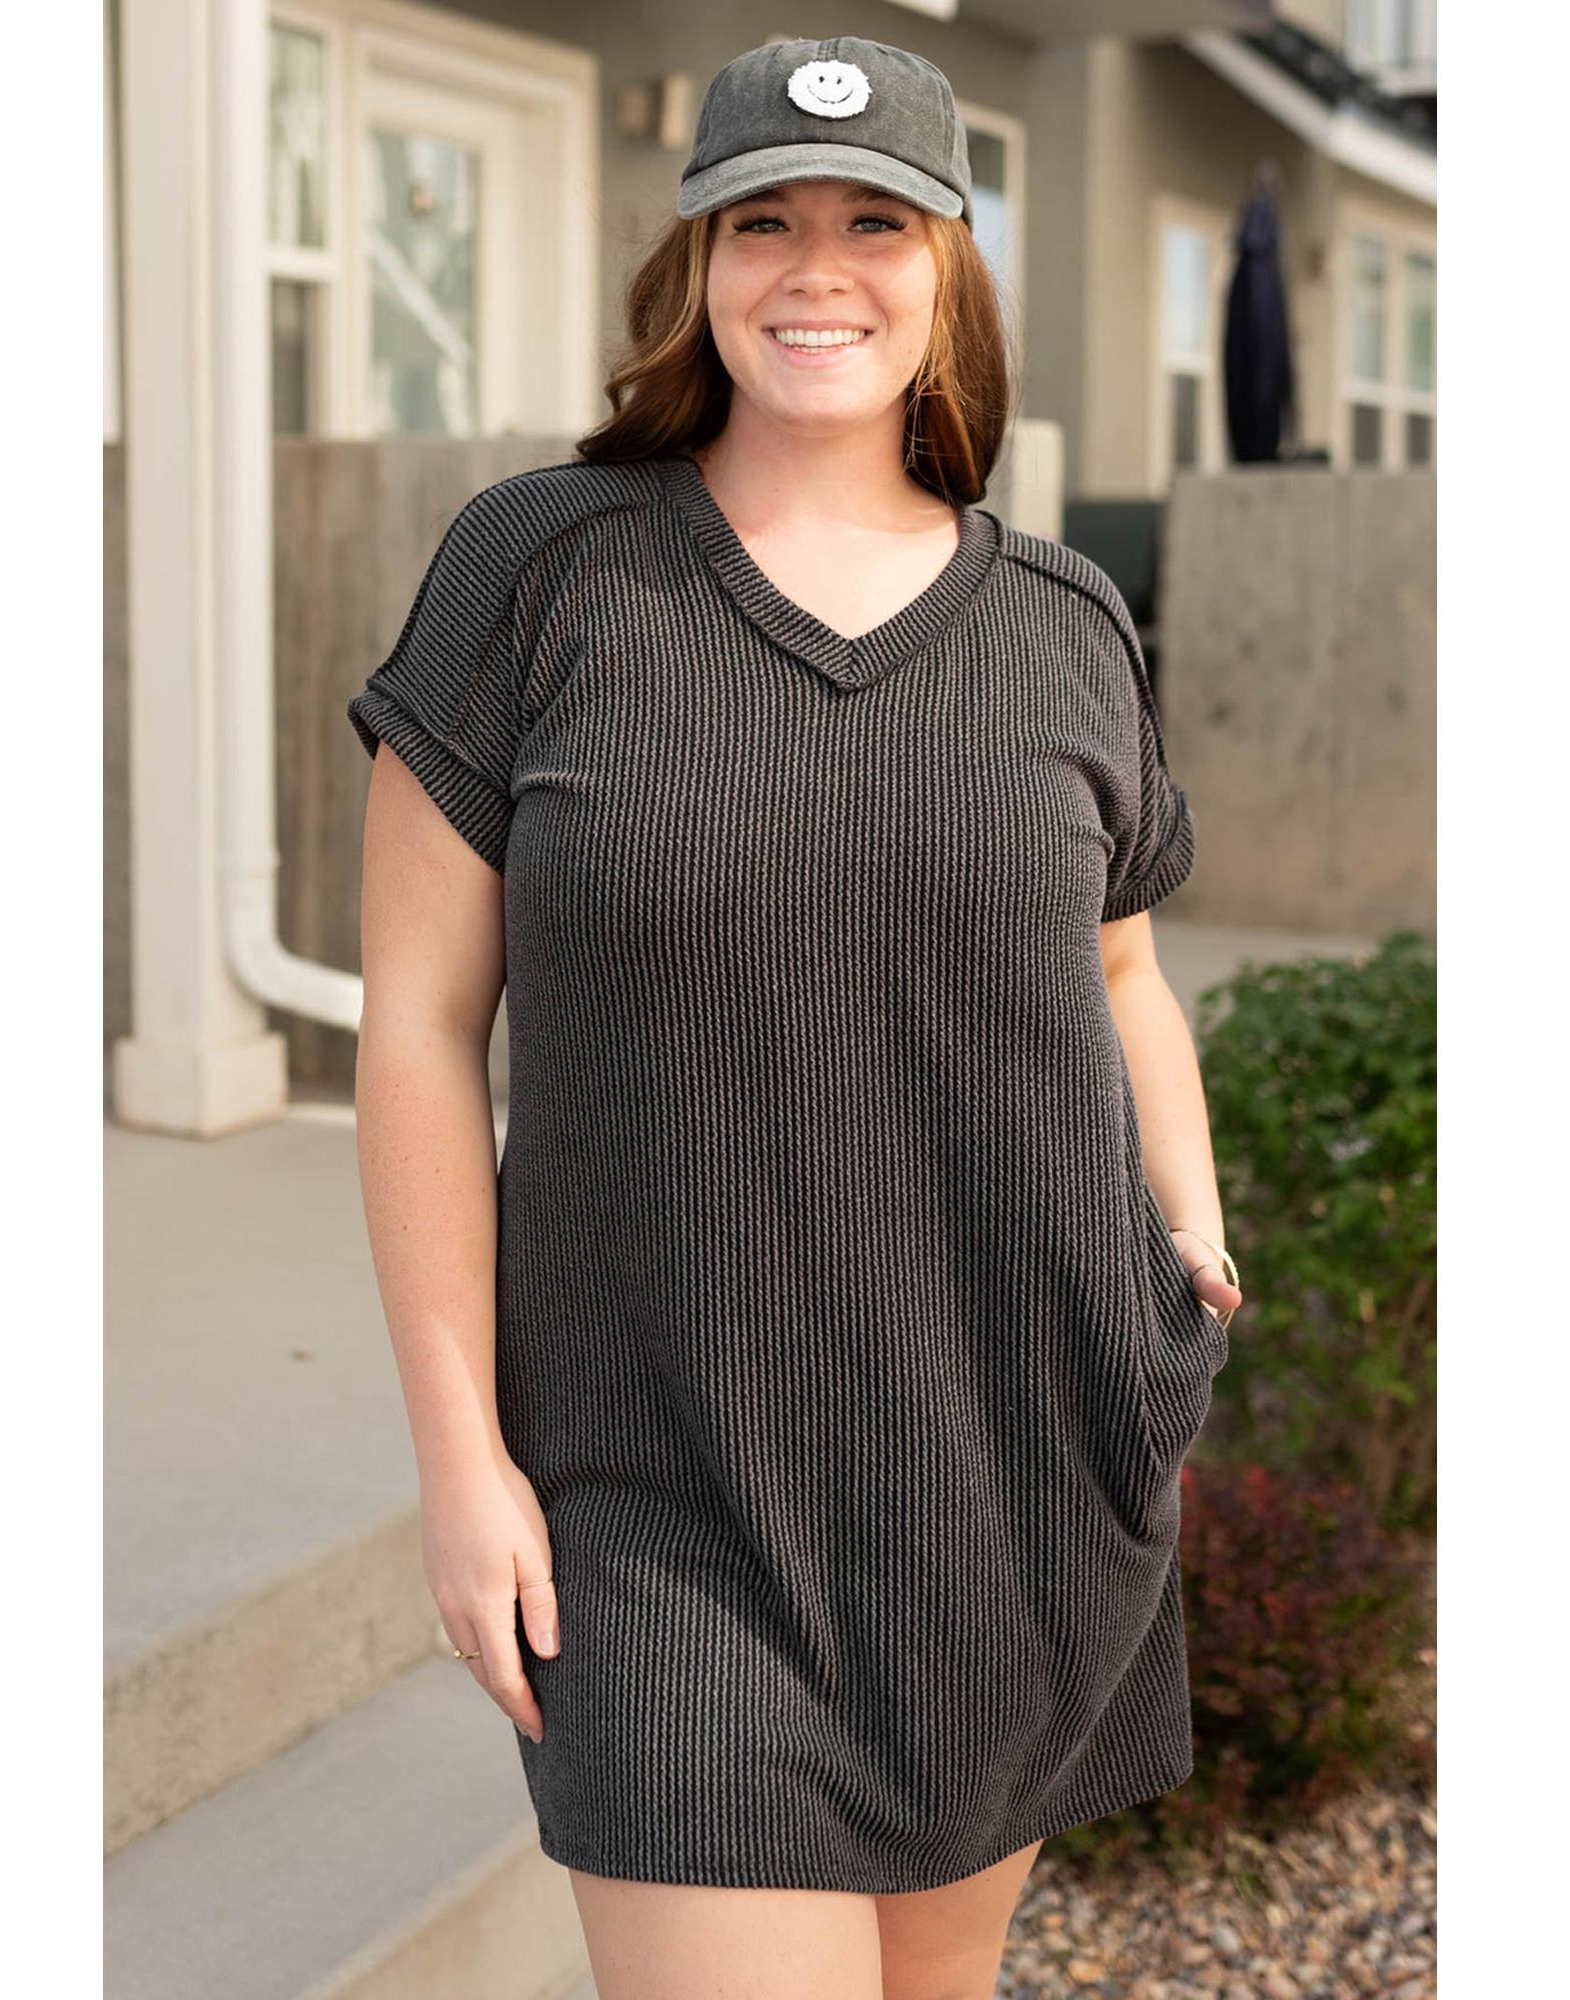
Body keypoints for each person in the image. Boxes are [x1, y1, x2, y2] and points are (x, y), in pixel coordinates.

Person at [346, 34, 1241, 2000]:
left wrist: (1185, 1230)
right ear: (697, 262)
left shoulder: (1063, 623)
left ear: (946, 272)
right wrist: (459, 1458)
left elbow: (1120, 972)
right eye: (762, 220)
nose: (815, 269)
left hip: (1004, 1472)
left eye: (873, 224)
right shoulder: (540, 572)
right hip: (655, 1505)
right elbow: (413, 1025)